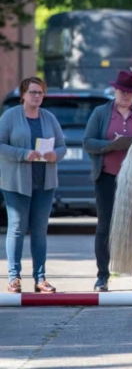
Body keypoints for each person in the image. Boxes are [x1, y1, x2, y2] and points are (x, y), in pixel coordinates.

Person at [83, 70, 132, 292]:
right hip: (107, 176)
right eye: (123, 91)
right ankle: (102, 277)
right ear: (115, 90)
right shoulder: (100, 112)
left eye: (131, 92)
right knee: (104, 226)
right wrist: (110, 146)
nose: (127, 95)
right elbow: (87, 142)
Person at [0, 77, 66, 294]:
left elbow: (62, 145)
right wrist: (23, 154)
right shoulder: (10, 116)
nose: (37, 96)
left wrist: (55, 154)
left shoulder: (49, 118)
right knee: (17, 228)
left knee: (39, 231)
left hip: (44, 183)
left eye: (40, 93)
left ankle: (40, 278)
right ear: (23, 95)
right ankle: (14, 278)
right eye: (33, 92)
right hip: (16, 183)